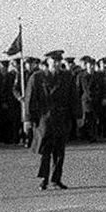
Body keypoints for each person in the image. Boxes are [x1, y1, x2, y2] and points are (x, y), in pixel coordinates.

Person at [22, 49, 82, 189]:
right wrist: (28, 119)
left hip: (62, 118)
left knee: (60, 151)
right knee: (45, 150)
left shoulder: (67, 77)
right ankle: (44, 179)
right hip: (44, 119)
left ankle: (56, 179)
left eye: (58, 61)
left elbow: (74, 98)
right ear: (47, 62)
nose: (56, 64)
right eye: (53, 61)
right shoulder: (37, 77)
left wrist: (78, 116)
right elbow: (30, 100)